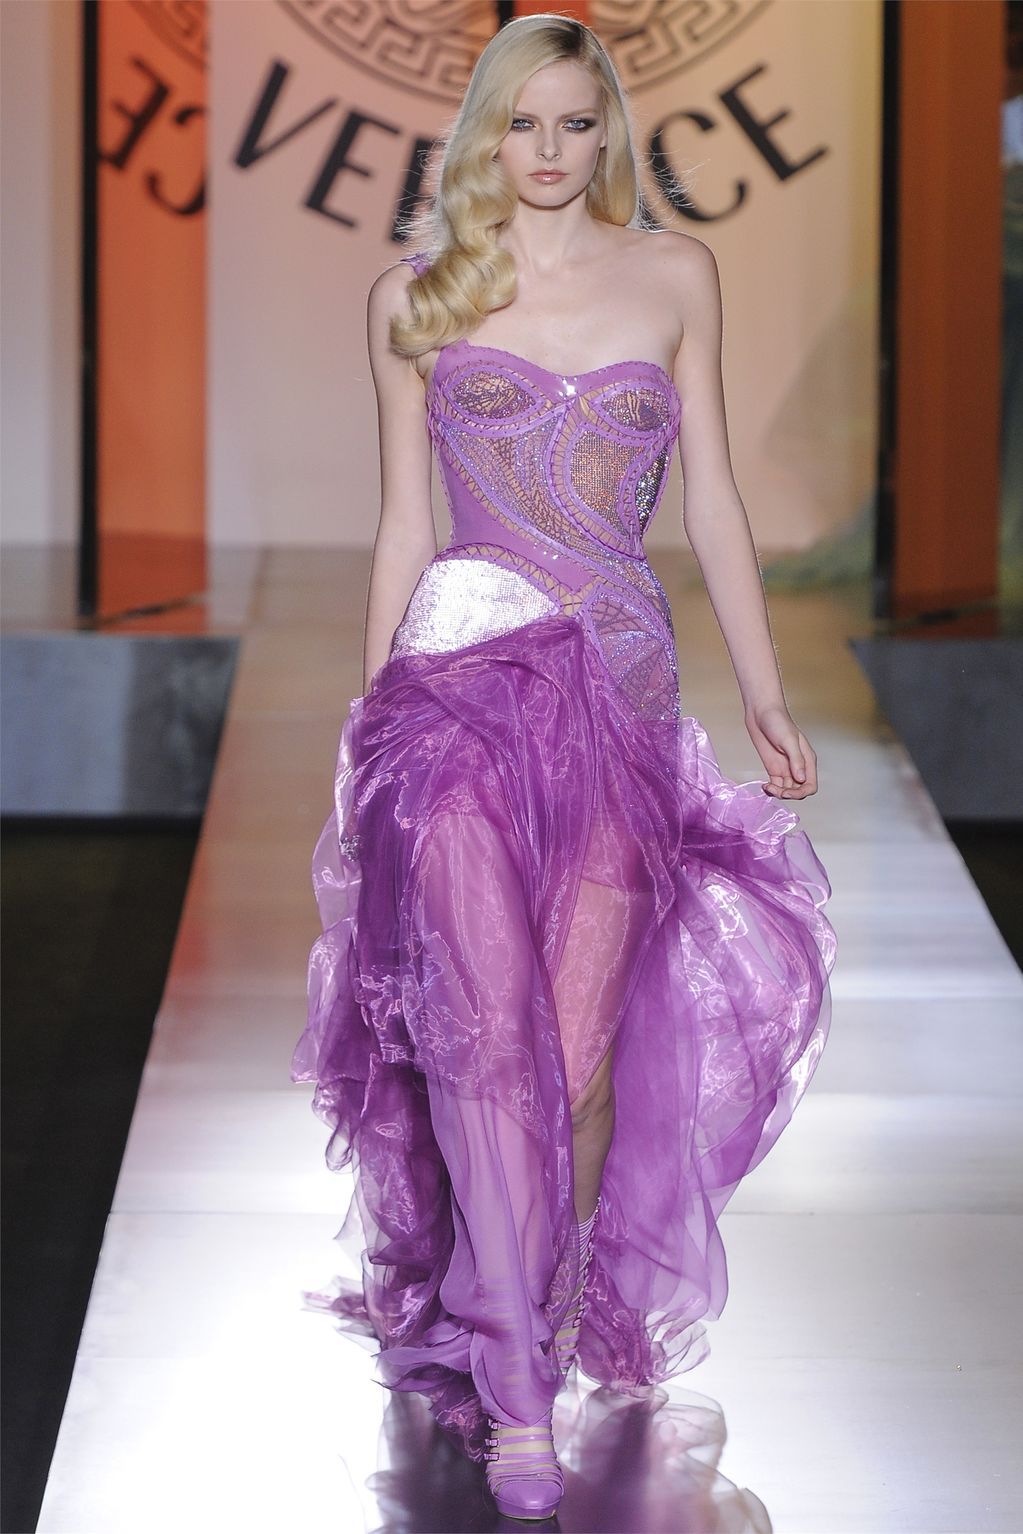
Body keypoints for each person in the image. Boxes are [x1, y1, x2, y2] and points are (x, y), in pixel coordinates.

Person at [291, 13, 837, 1523]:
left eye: (574, 124)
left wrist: (767, 692)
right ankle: (518, 1387)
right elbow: (406, 522)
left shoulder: (677, 276)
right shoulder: (417, 295)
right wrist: (368, 726)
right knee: (487, 1038)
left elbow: (711, 497)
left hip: (624, 694)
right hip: (455, 696)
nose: (547, 150)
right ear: (485, 131)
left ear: (609, 134)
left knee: (578, 1060)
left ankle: (518, 1300)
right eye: (521, 123)